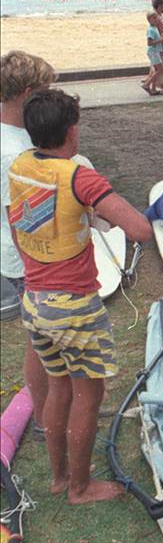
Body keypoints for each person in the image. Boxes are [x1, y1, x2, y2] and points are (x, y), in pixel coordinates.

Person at [8, 89, 153, 503]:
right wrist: (100, 208)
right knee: (89, 396)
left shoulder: (21, 166)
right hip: (74, 308)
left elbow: (16, 222)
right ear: (71, 130)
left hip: (35, 301)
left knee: (59, 388)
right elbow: (140, 230)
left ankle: (59, 477)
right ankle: (80, 487)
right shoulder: (79, 178)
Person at [1, 51, 56, 430]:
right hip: (28, 259)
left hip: (27, 256)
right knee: (43, 341)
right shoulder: (12, 152)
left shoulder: (16, 135)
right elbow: (18, 217)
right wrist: (37, 272)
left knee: (45, 339)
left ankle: (52, 407)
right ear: (27, 93)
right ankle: (44, 417)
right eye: (45, 91)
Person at [143, 11, 163, 96]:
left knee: (157, 70)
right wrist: (160, 40)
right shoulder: (150, 30)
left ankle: (153, 88)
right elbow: (149, 43)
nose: (158, 19)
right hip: (153, 52)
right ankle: (147, 84)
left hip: (155, 51)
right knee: (161, 70)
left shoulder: (155, 28)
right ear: (150, 19)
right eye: (156, 18)